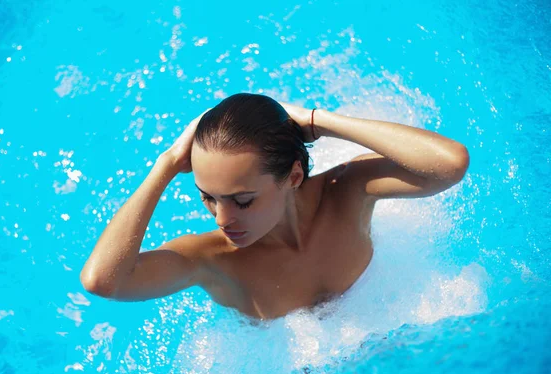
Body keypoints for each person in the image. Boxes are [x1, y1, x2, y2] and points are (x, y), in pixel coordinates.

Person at [80, 93, 469, 320]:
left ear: (294, 176)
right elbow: (103, 282)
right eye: (208, 197)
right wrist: (164, 166)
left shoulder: (346, 191)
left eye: (243, 201)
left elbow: (449, 165)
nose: (222, 219)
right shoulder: (213, 259)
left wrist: (318, 121)